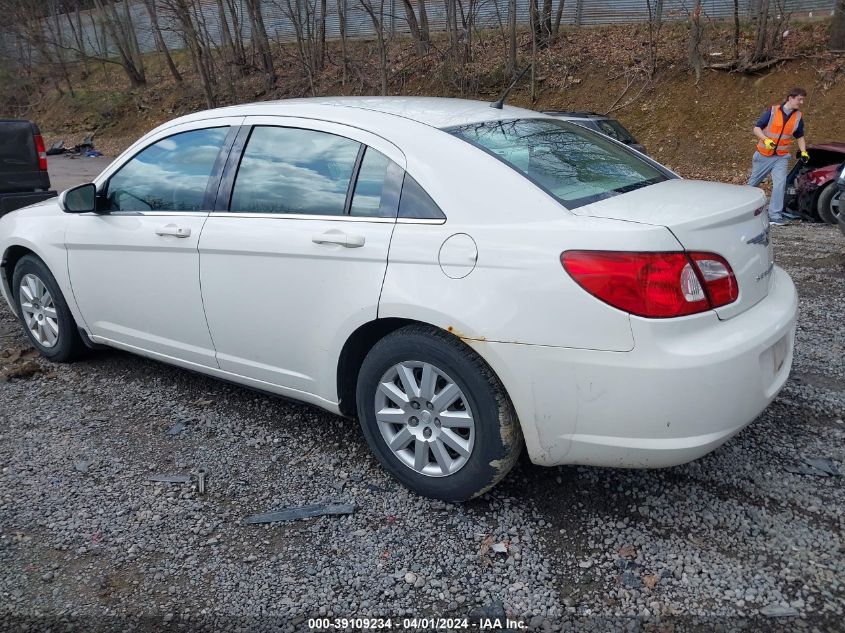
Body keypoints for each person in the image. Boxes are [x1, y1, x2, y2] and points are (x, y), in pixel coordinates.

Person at [747, 87, 809, 226]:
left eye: (802, 99)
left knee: (780, 185)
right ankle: (739, 210)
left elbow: (799, 136)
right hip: (763, 155)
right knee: (752, 185)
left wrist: (803, 151)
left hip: (781, 157)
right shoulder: (773, 111)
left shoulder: (798, 116)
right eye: (799, 99)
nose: (802, 102)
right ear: (790, 98)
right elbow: (757, 128)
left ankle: (775, 215)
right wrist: (765, 139)